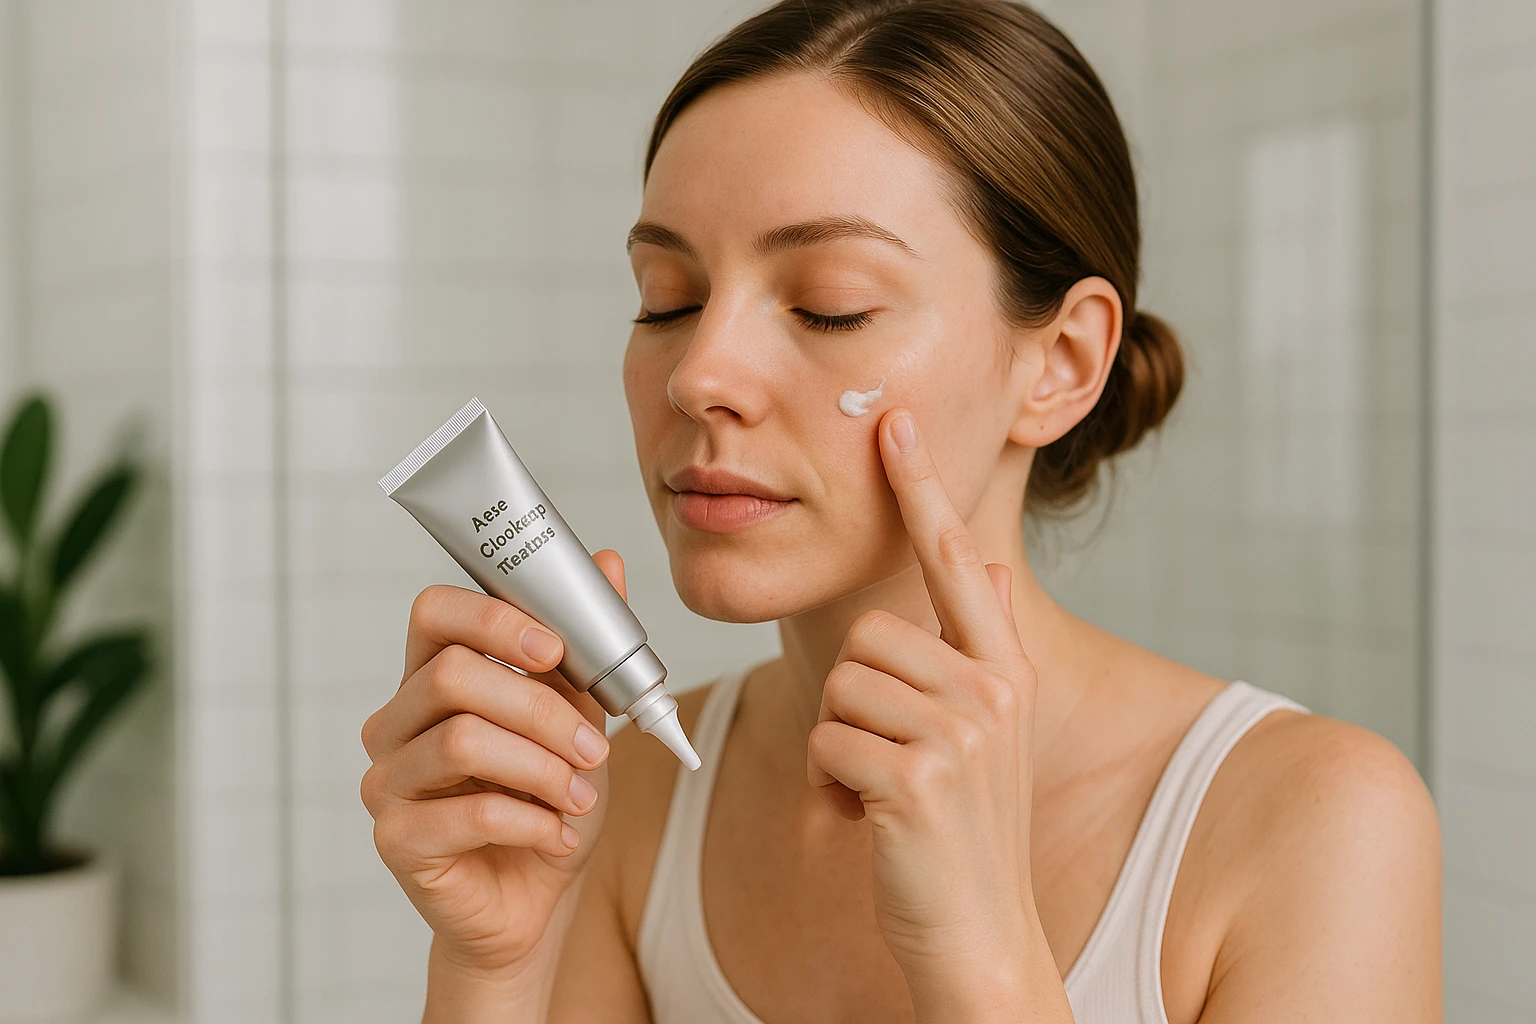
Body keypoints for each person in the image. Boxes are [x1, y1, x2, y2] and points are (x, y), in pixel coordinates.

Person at [359, 2, 1442, 1021]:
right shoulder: (620, 798)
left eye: (832, 303)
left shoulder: (1313, 823)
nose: (699, 373)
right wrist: (490, 970)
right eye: (667, 298)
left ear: (1060, 365)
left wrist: (985, 958)